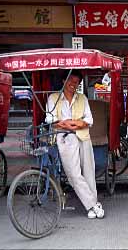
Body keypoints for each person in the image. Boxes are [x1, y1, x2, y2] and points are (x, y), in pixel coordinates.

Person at [45, 69, 104, 219]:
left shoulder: (82, 98)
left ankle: (92, 206)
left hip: (83, 136)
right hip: (64, 138)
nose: (73, 84)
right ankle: (92, 204)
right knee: (73, 174)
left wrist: (71, 123)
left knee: (89, 172)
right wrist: (69, 124)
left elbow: (89, 120)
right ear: (64, 81)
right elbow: (50, 119)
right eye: (70, 80)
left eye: (76, 82)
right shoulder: (53, 98)